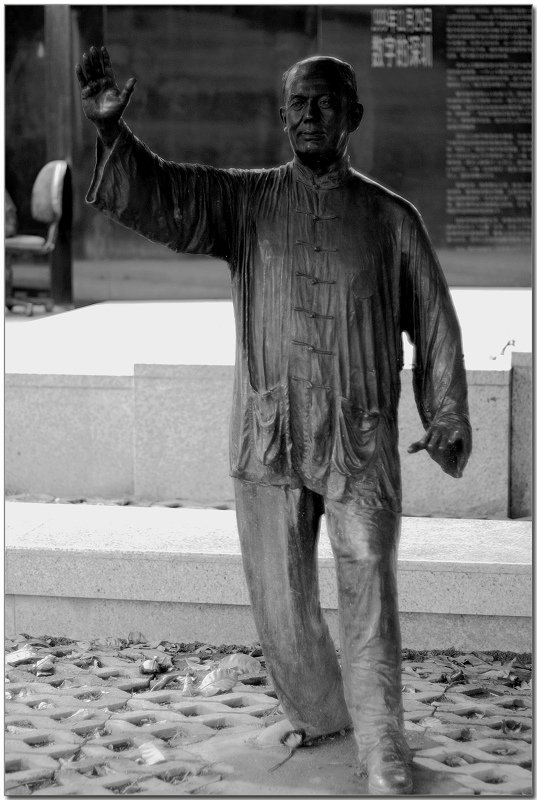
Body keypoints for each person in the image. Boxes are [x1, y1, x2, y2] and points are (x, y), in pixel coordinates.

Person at [76, 46, 471, 794]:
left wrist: (446, 410)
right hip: (271, 431)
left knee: (369, 583)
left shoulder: (392, 219)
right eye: (297, 103)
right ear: (281, 117)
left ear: (353, 115)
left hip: (357, 438)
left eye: (324, 102)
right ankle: (321, 715)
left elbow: (434, 321)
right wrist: (111, 135)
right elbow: (169, 198)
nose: (309, 115)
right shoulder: (246, 201)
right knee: (282, 604)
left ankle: (381, 740)